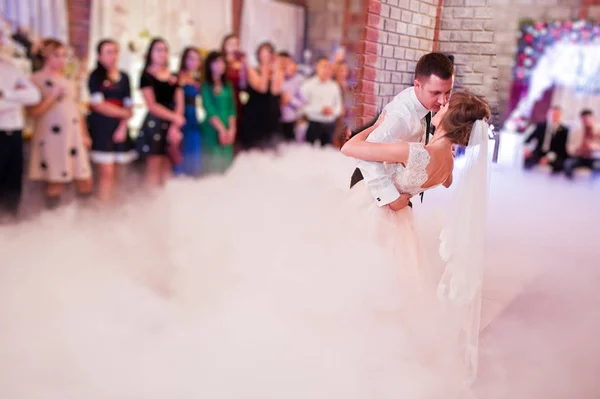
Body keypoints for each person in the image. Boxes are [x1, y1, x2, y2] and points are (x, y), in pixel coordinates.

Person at [350, 52, 454, 210]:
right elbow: (363, 154)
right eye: (436, 93)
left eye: (447, 92)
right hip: (370, 187)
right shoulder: (399, 117)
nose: (443, 101)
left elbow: (415, 135)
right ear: (417, 85)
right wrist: (390, 197)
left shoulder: (424, 102)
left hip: (397, 186)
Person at [27, 39, 93, 209]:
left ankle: (86, 221)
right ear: (46, 56)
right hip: (51, 135)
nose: (62, 59)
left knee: (84, 178)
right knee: (55, 179)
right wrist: (52, 96)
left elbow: (76, 109)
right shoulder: (34, 79)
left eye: (64, 55)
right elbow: (32, 112)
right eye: (57, 55)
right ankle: (53, 222)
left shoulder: (69, 81)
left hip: (73, 135)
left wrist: (84, 134)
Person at [87, 39, 136, 202]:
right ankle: (103, 211)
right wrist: (122, 112)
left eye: (115, 51)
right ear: (100, 56)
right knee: (105, 173)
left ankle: (113, 207)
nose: (112, 56)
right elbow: (98, 104)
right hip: (102, 127)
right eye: (108, 52)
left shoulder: (125, 77)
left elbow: (129, 105)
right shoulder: (95, 77)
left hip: (119, 128)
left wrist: (123, 125)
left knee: (116, 172)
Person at [0, 28, 41, 219]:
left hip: (15, 133)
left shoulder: (10, 67)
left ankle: (11, 228)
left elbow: (34, 95)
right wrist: (16, 100)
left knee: (13, 186)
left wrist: (7, 95)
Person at [136, 38, 184, 187]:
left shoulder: (174, 75)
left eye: (164, 50)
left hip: (173, 123)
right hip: (155, 123)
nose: (162, 53)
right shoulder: (146, 76)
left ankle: (165, 202)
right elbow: (152, 105)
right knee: (154, 167)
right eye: (158, 49)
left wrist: (176, 124)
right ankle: (151, 204)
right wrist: (175, 117)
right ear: (150, 53)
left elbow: (179, 100)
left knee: (168, 166)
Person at [236, 42, 283, 150]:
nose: (266, 55)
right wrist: (265, 67)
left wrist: (276, 69)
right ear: (258, 55)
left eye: (269, 52)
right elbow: (262, 88)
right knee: (253, 149)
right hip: (255, 114)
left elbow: (275, 91)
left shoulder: (277, 71)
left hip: (271, 114)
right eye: (264, 52)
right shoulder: (252, 70)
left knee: (271, 149)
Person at [200, 51, 236, 174]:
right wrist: (222, 130)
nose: (220, 65)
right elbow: (209, 109)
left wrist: (232, 129)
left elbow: (232, 108)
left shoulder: (228, 85)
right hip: (212, 128)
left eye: (222, 62)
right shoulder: (205, 86)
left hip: (227, 125)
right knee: (213, 163)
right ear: (209, 65)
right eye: (216, 62)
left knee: (227, 164)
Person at [301, 57, 342, 146]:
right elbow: (302, 107)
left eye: (329, 67)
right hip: (313, 124)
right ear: (317, 67)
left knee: (327, 155)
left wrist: (333, 112)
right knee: (309, 154)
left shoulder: (334, 86)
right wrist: (320, 109)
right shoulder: (308, 85)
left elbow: (339, 106)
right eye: (324, 66)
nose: (326, 70)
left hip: (329, 126)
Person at [174, 47, 203, 177]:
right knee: (181, 153)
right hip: (182, 116)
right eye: (190, 58)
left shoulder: (198, 80)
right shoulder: (177, 77)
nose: (194, 62)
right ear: (184, 59)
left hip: (195, 118)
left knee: (194, 154)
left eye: (197, 59)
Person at [523, 106, 569, 174]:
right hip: (539, 152)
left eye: (556, 115)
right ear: (548, 115)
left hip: (554, 154)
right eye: (552, 114)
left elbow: (562, 149)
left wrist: (548, 158)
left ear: (560, 116)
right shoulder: (540, 126)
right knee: (528, 159)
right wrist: (527, 149)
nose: (554, 117)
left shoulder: (564, 130)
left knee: (559, 164)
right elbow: (527, 140)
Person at [564, 109, 600, 179]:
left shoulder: (598, 130)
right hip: (580, 157)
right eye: (584, 120)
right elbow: (569, 147)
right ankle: (570, 185)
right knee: (568, 164)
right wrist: (577, 149)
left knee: (597, 166)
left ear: (593, 118)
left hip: (594, 157)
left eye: (588, 119)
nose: (586, 121)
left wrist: (594, 147)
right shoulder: (576, 131)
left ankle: (593, 187)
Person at [278, 51, 304, 142]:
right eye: (282, 63)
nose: (284, 65)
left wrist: (290, 100)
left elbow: (301, 102)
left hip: (289, 121)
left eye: (287, 63)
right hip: (273, 120)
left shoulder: (297, 81)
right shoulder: (274, 78)